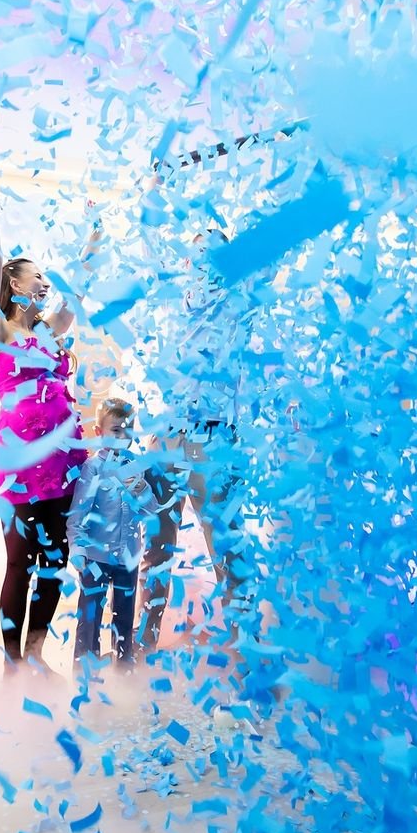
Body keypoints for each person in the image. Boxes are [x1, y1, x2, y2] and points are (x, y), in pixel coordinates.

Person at [0, 153, 87, 669]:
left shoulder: (49, 331)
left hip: (62, 458)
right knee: (19, 562)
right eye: (37, 276)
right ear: (15, 285)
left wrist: (95, 234)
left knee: (55, 560)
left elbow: (76, 290)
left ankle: (36, 654)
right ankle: (12, 662)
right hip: (19, 461)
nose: (46, 282)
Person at [140, 227, 253, 651]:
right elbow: (151, 258)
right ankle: (141, 645)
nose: (205, 257)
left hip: (214, 440)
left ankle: (246, 650)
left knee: (228, 549)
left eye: (215, 250)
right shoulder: (176, 302)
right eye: (198, 250)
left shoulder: (239, 301)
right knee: (156, 548)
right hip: (167, 436)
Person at [68, 398, 159, 664]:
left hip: (128, 556)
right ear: (99, 432)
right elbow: (78, 514)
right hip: (96, 556)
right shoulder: (92, 468)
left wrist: (141, 490)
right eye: (116, 430)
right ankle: (86, 670)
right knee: (90, 617)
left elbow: (151, 511)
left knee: (124, 615)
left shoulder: (136, 466)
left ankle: (123, 667)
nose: (123, 436)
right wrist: (77, 548)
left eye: (128, 430)